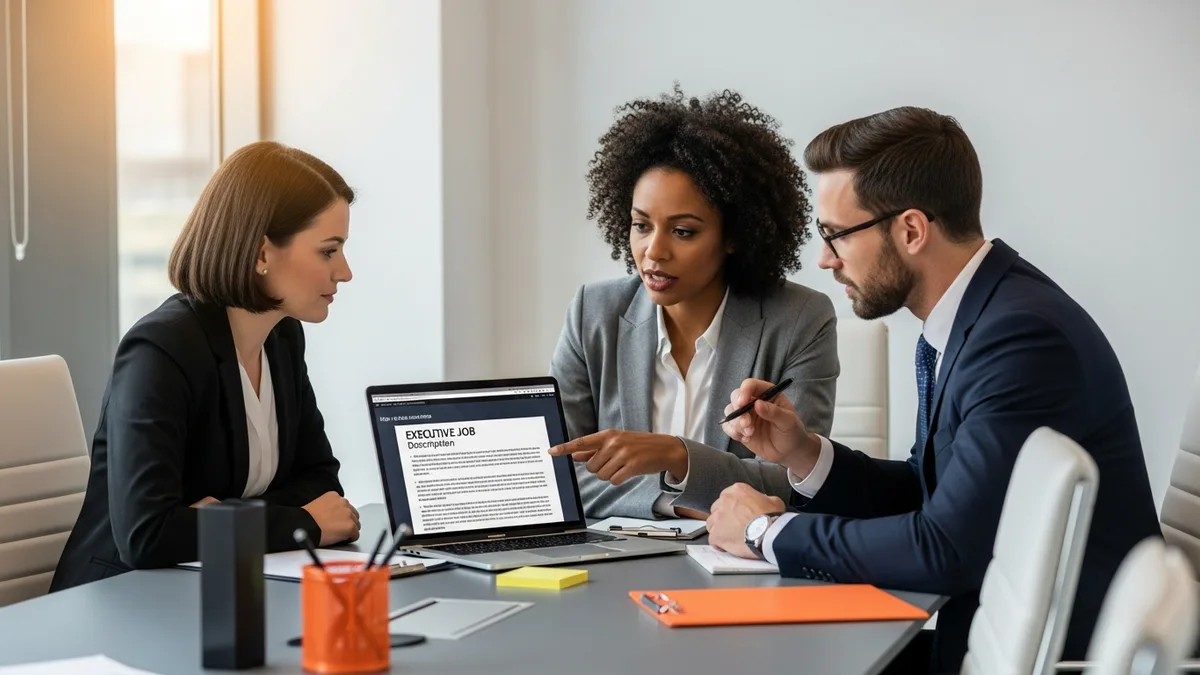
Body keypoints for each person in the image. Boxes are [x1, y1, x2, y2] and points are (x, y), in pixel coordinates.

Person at [702, 107, 1161, 673]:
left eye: (835, 235)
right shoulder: (979, 317)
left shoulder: (1021, 338)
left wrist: (764, 531)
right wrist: (802, 453)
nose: (824, 260)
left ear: (912, 230)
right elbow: (931, 491)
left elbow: (946, 549)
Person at [51, 141, 362, 591]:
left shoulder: (282, 338)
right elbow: (148, 535)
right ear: (261, 254)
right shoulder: (161, 349)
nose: (345, 271)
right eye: (328, 251)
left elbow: (321, 483)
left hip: (221, 586)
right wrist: (301, 522)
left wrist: (222, 517)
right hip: (123, 597)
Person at [547, 86, 839, 519]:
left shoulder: (800, 319)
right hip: (615, 552)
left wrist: (678, 456)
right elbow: (553, 473)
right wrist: (674, 499)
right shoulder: (593, 312)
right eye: (641, 225)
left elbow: (796, 481)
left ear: (734, 235)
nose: (653, 251)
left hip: (744, 556)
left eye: (683, 231)